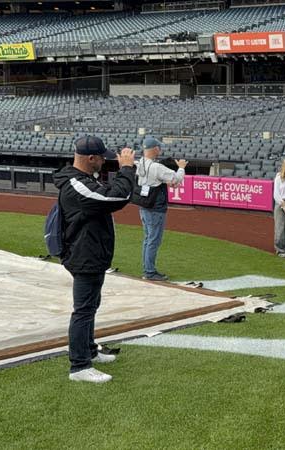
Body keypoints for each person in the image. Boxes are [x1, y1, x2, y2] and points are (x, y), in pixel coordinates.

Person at [53, 136, 136, 383]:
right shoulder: (76, 184)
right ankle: (79, 366)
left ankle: (89, 350)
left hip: (91, 253)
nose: (104, 162)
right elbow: (115, 198)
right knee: (83, 311)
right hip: (83, 255)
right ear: (91, 158)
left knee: (90, 307)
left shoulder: (84, 180)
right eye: (101, 158)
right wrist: (127, 170)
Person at [134, 136, 186, 281]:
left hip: (144, 205)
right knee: (153, 240)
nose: (160, 149)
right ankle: (149, 271)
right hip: (155, 207)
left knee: (148, 238)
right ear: (155, 148)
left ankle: (147, 269)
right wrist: (181, 167)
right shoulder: (156, 167)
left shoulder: (140, 163)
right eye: (158, 147)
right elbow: (176, 179)